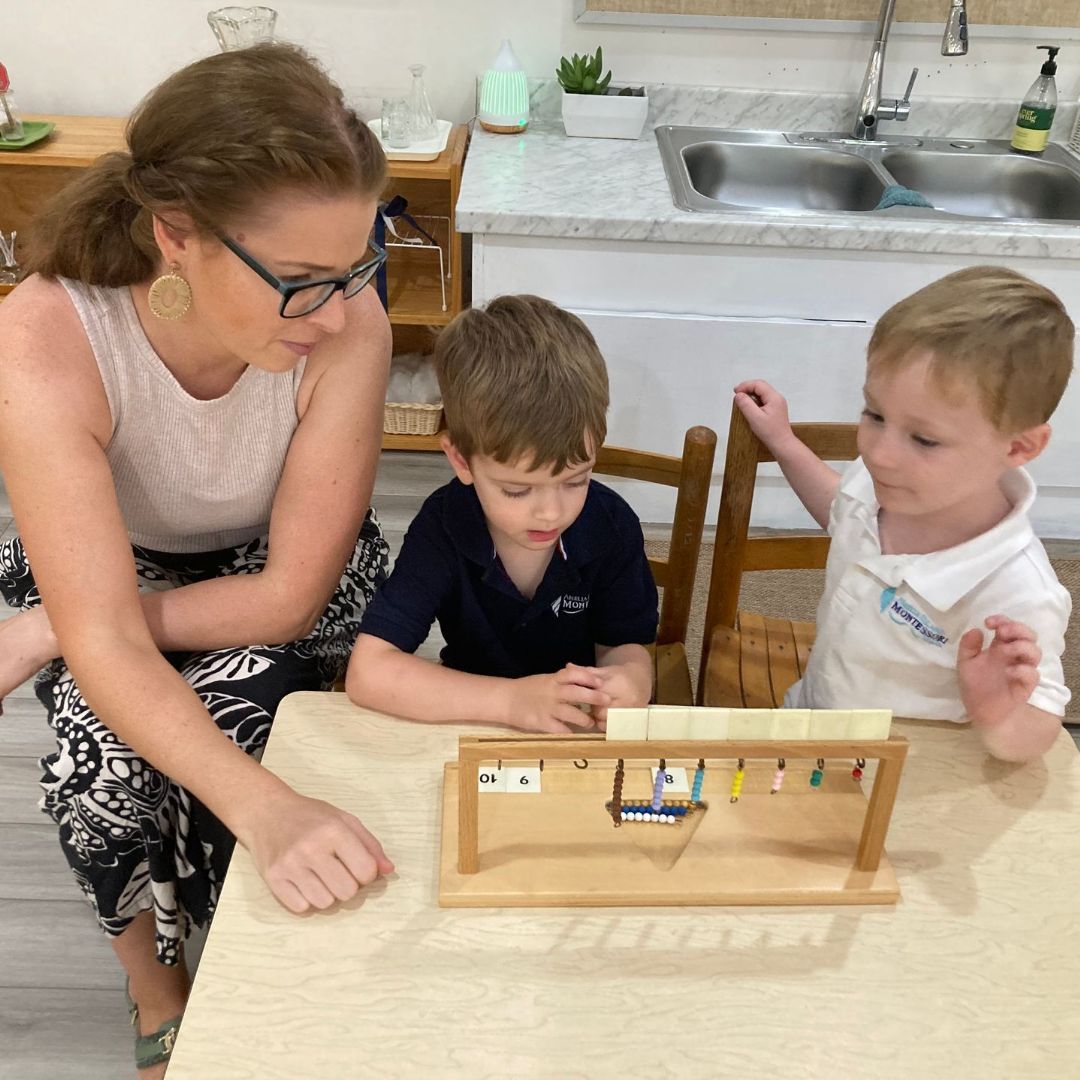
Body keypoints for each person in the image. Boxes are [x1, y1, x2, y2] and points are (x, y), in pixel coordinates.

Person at [0, 44, 395, 1075]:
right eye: (304, 282)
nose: (344, 312)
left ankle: (257, 965)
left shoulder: (348, 328)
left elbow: (289, 595)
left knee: (262, 718)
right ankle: (155, 982)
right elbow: (108, 640)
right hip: (115, 560)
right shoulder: (44, 338)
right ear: (176, 235)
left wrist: (62, 627)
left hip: (271, 567)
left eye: (358, 267)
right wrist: (95, 627)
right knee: (97, 769)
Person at [732, 266, 1072, 764]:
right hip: (813, 720)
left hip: (905, 772)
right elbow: (840, 509)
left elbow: (1037, 731)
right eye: (874, 415)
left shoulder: (1016, 590)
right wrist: (784, 443)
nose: (879, 453)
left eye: (924, 439)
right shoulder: (881, 485)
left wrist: (997, 711)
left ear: (1020, 445)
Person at [346, 295, 657, 732]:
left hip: (577, 730)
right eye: (516, 490)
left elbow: (626, 645)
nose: (551, 513)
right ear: (461, 462)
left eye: (576, 480)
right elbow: (369, 672)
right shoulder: (443, 526)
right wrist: (512, 702)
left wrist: (631, 679)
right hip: (475, 719)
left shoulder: (611, 524)